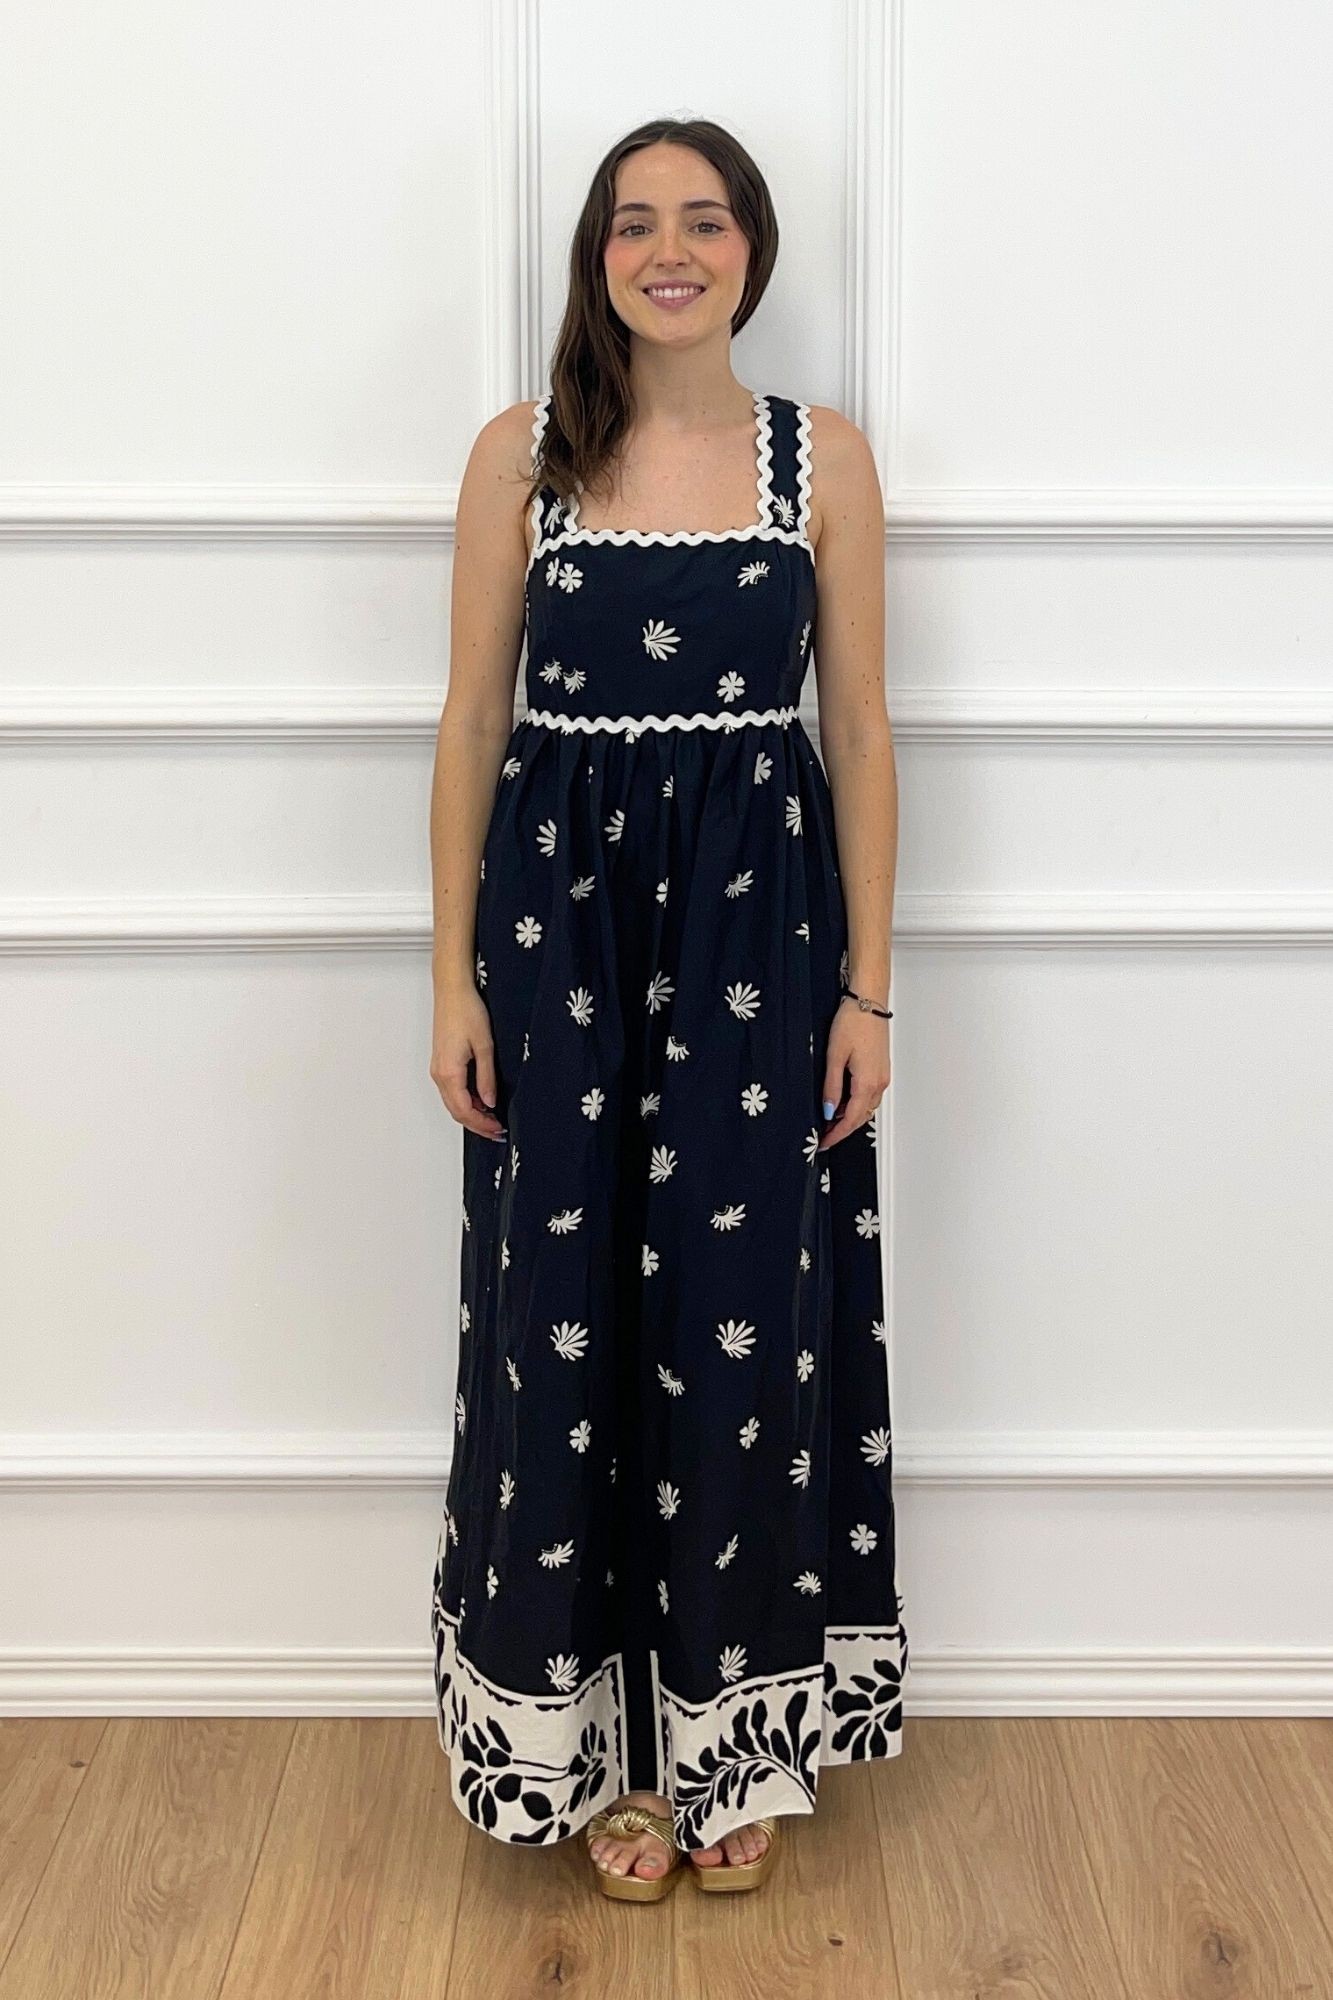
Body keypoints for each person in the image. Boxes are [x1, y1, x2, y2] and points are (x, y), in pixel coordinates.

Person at [427, 116, 908, 1901]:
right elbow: (471, 725)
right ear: (598, 256)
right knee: (560, 1327)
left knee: (740, 1322)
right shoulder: (524, 456)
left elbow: (856, 729)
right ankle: (600, 1755)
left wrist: (867, 989)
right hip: (555, 950)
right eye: (635, 224)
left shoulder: (820, 460)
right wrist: (449, 976)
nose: (669, 251)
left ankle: (731, 1744)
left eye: (703, 221)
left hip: (756, 947)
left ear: (751, 250)